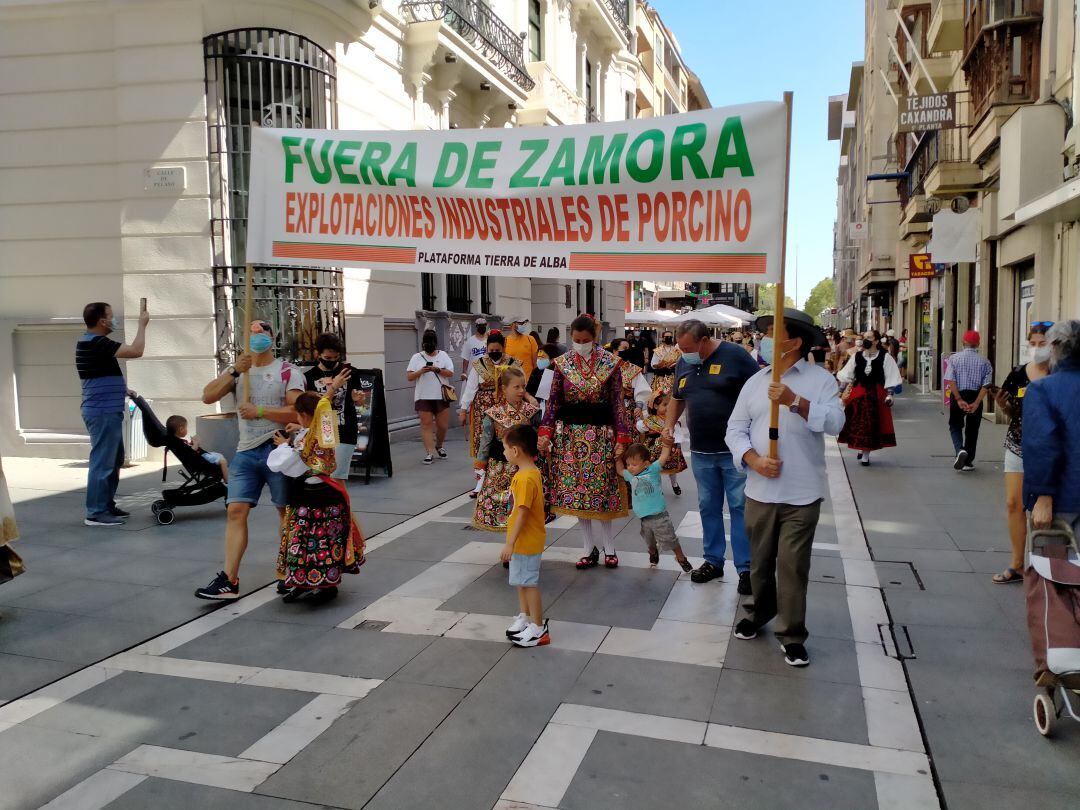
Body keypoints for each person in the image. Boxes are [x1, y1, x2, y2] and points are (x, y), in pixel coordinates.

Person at [726, 309, 846, 668]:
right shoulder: (755, 380)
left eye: (771, 332)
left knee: (793, 567)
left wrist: (795, 401)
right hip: (759, 491)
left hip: (801, 493)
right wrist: (752, 459)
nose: (762, 339)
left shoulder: (820, 380)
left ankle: (792, 633)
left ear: (794, 341)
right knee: (760, 564)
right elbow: (735, 428)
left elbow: (837, 423)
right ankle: (758, 612)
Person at [196, 319, 305, 600]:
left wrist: (260, 411)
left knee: (286, 513)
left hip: (277, 450)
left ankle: (289, 571)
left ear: (272, 336)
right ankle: (229, 580)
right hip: (245, 452)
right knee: (235, 511)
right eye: (251, 331)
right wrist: (233, 371)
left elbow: (298, 411)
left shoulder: (287, 371)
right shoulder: (238, 373)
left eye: (262, 331)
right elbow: (207, 395)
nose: (257, 335)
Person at [663, 318, 760, 593]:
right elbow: (677, 397)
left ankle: (746, 568)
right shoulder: (685, 362)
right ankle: (713, 561)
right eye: (681, 348)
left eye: (688, 348)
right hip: (702, 450)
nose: (684, 353)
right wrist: (669, 425)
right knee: (708, 506)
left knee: (740, 508)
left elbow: (759, 391)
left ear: (704, 341)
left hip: (736, 451)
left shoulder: (736, 356)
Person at [539, 314, 630, 569]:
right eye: (577, 340)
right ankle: (588, 548)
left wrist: (622, 436)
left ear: (595, 338)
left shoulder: (610, 363)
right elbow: (554, 400)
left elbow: (617, 403)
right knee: (578, 493)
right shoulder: (562, 364)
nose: (581, 343)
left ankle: (609, 547)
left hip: (601, 435)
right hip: (570, 436)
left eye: (586, 340)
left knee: (601, 492)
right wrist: (545, 431)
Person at [268, 391, 365, 604]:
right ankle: (304, 583)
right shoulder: (320, 433)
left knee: (308, 541)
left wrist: (283, 446)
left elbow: (290, 466)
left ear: (302, 414)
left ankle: (322, 585)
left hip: (313, 497)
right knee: (316, 541)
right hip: (319, 495)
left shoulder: (310, 438)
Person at [76, 301, 150, 527]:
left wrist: (122, 389)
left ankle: (106, 505)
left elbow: (98, 374)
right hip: (102, 412)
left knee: (114, 459)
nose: (114, 319)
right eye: (111, 315)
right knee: (103, 461)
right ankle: (96, 513)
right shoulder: (97, 342)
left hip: (106, 409)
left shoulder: (90, 342)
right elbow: (136, 351)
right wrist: (142, 325)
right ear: (102, 321)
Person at [992, 322, 1052, 584]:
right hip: (1017, 444)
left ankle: (1044, 566)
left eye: (1043, 343)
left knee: (1044, 510)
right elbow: (1012, 413)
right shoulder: (1018, 373)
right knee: (1014, 504)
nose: (1037, 349)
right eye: (1033, 343)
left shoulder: (1060, 374)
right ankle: (1017, 564)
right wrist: (1003, 407)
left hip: (1049, 450)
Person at [1024, 320, 1080, 539]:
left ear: (1054, 347)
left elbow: (1042, 446)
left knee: (1056, 570)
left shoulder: (1043, 389)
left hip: (1063, 500)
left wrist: (1043, 496)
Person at [473, 367, 541, 531]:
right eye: (516, 387)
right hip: (499, 466)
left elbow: (538, 437)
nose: (521, 391)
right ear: (504, 388)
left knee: (523, 502)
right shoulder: (493, 413)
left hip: (524, 466)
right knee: (501, 503)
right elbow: (486, 440)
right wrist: (480, 464)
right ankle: (510, 541)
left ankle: (520, 540)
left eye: (523, 387)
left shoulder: (532, 411)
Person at [500, 424, 550, 648]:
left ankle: (538, 628)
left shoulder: (526, 478)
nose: (504, 453)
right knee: (521, 581)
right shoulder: (527, 473)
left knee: (529, 583)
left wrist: (510, 542)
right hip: (522, 539)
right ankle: (525, 617)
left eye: (505, 448)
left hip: (526, 541)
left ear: (516, 451)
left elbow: (522, 511)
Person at [617, 442, 693, 572]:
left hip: (660, 516)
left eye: (634, 464)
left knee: (670, 539)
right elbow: (620, 470)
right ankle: (653, 552)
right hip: (644, 519)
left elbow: (663, 456)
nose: (630, 467)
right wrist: (617, 458)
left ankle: (681, 558)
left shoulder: (653, 470)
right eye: (628, 464)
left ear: (646, 463)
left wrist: (667, 444)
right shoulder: (631, 476)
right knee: (649, 540)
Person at [460, 332, 522, 491]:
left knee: (506, 440)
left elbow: (522, 384)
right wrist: (463, 409)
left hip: (507, 407)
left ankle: (508, 475)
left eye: (498, 350)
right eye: (491, 350)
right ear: (487, 348)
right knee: (484, 442)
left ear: (503, 348)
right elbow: (470, 388)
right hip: (483, 408)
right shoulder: (478, 364)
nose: (494, 353)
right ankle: (480, 479)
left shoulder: (513, 363)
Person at [303, 333, 369, 480]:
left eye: (335, 358)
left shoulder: (350, 373)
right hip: (319, 431)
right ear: (318, 354)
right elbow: (313, 406)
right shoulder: (309, 376)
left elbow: (360, 403)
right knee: (319, 478)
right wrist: (334, 386)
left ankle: (342, 504)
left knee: (337, 477)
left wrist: (358, 399)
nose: (332, 361)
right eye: (327, 358)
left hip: (344, 430)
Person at [836, 329, 902, 467]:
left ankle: (865, 453)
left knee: (871, 425)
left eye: (869, 337)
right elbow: (847, 375)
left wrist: (890, 394)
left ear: (876, 341)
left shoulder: (885, 357)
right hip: (858, 394)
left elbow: (890, 376)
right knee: (858, 424)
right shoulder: (857, 356)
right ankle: (861, 448)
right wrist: (840, 391)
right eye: (865, 337)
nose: (865, 340)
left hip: (876, 395)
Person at [944, 330, 993, 472]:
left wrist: (958, 399)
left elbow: (951, 380)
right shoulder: (985, 361)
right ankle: (968, 461)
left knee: (955, 425)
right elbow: (986, 385)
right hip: (975, 395)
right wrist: (977, 402)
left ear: (963, 343)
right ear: (978, 343)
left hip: (958, 394)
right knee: (972, 430)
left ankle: (960, 450)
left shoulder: (954, 359)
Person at [407, 329, 455, 465]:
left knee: (442, 426)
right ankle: (429, 452)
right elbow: (409, 377)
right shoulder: (416, 357)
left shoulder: (443, 355)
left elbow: (450, 373)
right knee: (426, 424)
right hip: (423, 396)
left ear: (435, 343)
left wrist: (437, 369)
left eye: (431, 343)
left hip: (441, 396)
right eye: (426, 343)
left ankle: (439, 445)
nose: (428, 346)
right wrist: (421, 371)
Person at [637, 392, 686, 495]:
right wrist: (638, 418)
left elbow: (677, 434)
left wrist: (678, 445)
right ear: (655, 406)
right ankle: (658, 489)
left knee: (672, 469)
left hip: (669, 449)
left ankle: (674, 484)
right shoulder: (650, 420)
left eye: (669, 405)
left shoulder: (671, 420)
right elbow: (641, 428)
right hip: (653, 450)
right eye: (664, 405)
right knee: (656, 470)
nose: (667, 407)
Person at [165, 415, 229, 481]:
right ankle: (227, 480)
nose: (187, 429)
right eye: (186, 428)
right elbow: (190, 452)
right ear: (181, 429)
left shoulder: (177, 442)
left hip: (199, 458)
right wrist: (196, 443)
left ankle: (225, 476)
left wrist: (191, 444)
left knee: (219, 456)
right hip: (201, 460)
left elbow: (187, 451)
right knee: (223, 461)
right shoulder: (178, 443)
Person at [613, 338, 653, 425]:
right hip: (610, 408)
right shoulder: (607, 369)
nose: (627, 351)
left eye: (628, 349)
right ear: (615, 351)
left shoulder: (633, 369)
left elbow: (642, 390)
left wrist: (639, 407)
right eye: (624, 348)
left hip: (628, 410)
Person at [649, 330, 682, 396]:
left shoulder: (677, 351)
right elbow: (653, 364)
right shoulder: (658, 350)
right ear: (663, 338)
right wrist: (659, 365)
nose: (669, 338)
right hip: (660, 377)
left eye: (670, 337)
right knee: (659, 396)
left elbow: (680, 363)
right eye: (667, 336)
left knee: (671, 396)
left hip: (673, 377)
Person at [459, 317, 489, 382]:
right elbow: (466, 359)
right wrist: (464, 373)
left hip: (487, 373)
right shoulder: (469, 341)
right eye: (480, 325)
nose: (482, 327)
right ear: (476, 326)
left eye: (484, 325)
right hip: (472, 374)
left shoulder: (490, 340)